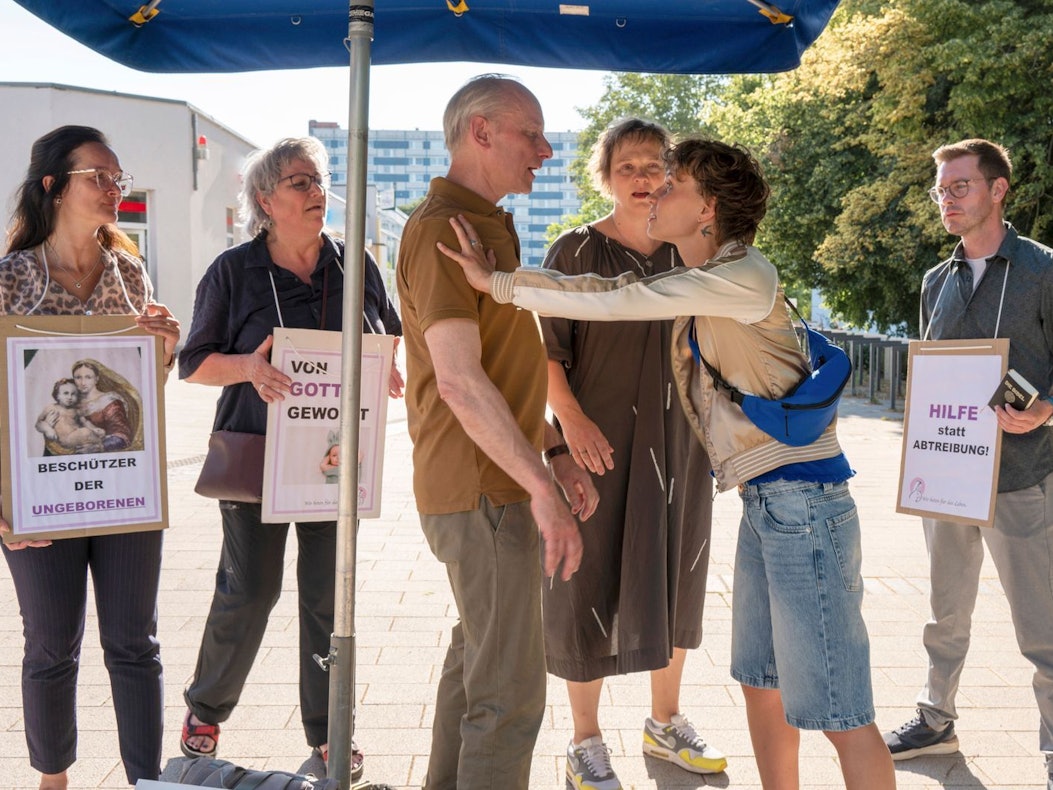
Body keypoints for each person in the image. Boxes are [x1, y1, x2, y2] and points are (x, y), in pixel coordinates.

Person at [441, 136, 897, 790]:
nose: (655, 191)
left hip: (805, 507)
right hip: (767, 505)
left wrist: (499, 284)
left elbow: (617, 297)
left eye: (672, 184)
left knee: (838, 710)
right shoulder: (706, 278)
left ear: (707, 209)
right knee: (760, 686)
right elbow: (607, 285)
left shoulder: (740, 276)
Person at [178, 136, 403, 782]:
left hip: (335, 458)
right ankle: (206, 707)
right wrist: (249, 366)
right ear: (264, 200)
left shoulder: (352, 261)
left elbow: (384, 333)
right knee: (250, 589)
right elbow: (193, 364)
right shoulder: (233, 272)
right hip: (255, 457)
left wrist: (385, 365)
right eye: (299, 183)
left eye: (319, 181)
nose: (316, 193)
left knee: (328, 598)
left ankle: (330, 732)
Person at [395, 74, 598, 789]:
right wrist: (540, 488)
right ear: (479, 132)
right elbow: (457, 382)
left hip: (492, 481)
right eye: (531, 134)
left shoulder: (484, 224)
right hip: (485, 490)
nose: (544, 150)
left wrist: (551, 448)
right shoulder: (444, 229)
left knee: (477, 660)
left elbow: (500, 379)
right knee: (508, 696)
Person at [539, 118, 724, 789]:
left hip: (682, 447)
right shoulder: (575, 250)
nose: (643, 180)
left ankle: (665, 722)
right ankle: (584, 740)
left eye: (654, 167)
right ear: (605, 176)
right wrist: (573, 420)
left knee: (675, 572)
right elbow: (545, 353)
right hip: (595, 444)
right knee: (584, 582)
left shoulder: (695, 251)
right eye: (628, 168)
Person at [0, 124, 180, 789]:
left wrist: (164, 349)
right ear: (53, 186)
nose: (113, 189)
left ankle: (145, 780)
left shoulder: (130, 274)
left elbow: (145, 396)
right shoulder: (10, 280)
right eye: (97, 177)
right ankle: (54, 777)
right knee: (50, 645)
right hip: (35, 493)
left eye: (117, 178)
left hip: (125, 488)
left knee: (136, 644)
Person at [880, 139, 1053, 789]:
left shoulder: (1042, 270)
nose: (945, 200)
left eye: (958, 187)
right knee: (943, 609)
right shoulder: (935, 280)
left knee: (1041, 623)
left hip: (1023, 477)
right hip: (948, 476)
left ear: (997, 189)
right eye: (939, 190)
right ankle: (935, 716)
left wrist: (1045, 410)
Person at [71, 358, 139, 451]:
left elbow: (122, 437)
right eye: (78, 377)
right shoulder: (71, 403)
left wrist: (99, 447)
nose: (83, 382)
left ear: (96, 379)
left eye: (88, 377)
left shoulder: (109, 402)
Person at [34, 377, 105, 453]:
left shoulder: (76, 410)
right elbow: (39, 423)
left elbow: (85, 422)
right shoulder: (51, 408)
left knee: (90, 433)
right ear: (57, 395)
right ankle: (101, 445)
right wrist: (48, 429)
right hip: (64, 440)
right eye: (66, 393)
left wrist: (93, 429)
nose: (70, 397)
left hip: (75, 438)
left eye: (73, 394)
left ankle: (100, 445)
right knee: (85, 432)